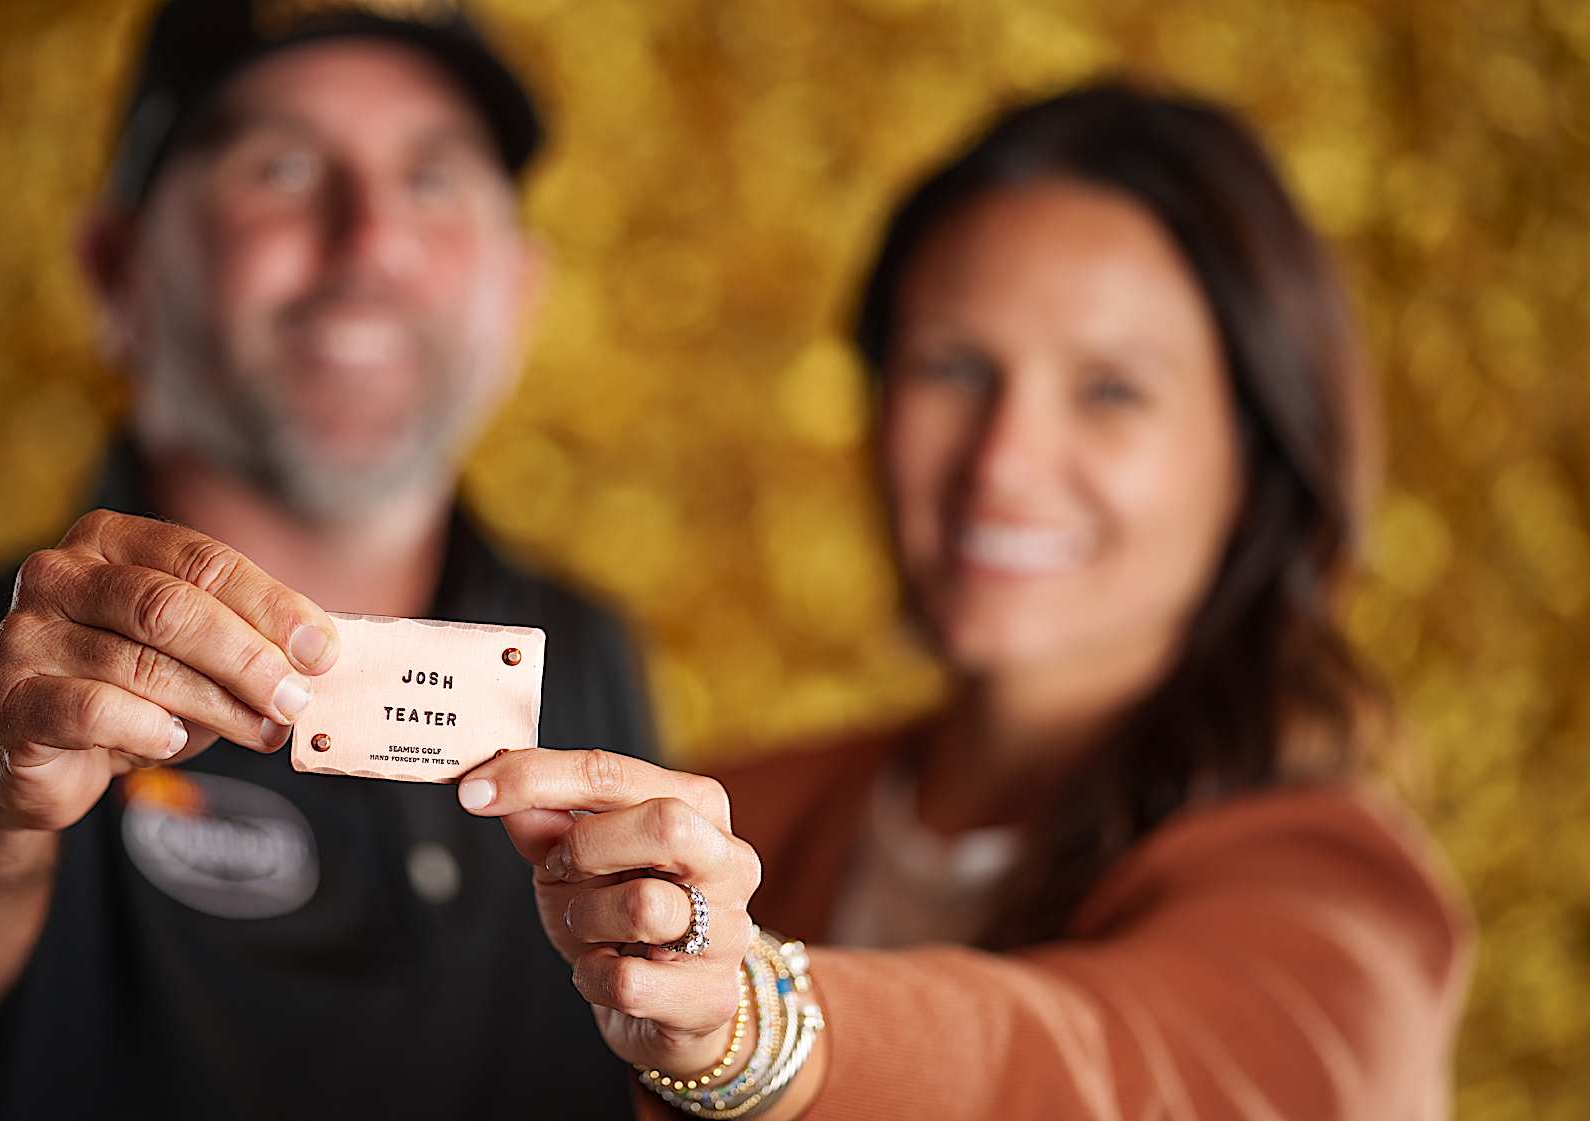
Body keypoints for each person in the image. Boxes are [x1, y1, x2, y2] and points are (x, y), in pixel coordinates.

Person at [457, 82, 1473, 1119]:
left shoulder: (1344, 899)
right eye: (954, 367)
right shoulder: (721, 827)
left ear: (1255, 457)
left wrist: (754, 1022)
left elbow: (1122, 1072)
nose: (1003, 461)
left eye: (1110, 389)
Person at [0, 3, 657, 1118]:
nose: (373, 241)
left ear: (520, 289)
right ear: (115, 271)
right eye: (280, 167)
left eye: (433, 179)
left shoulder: (593, 656)